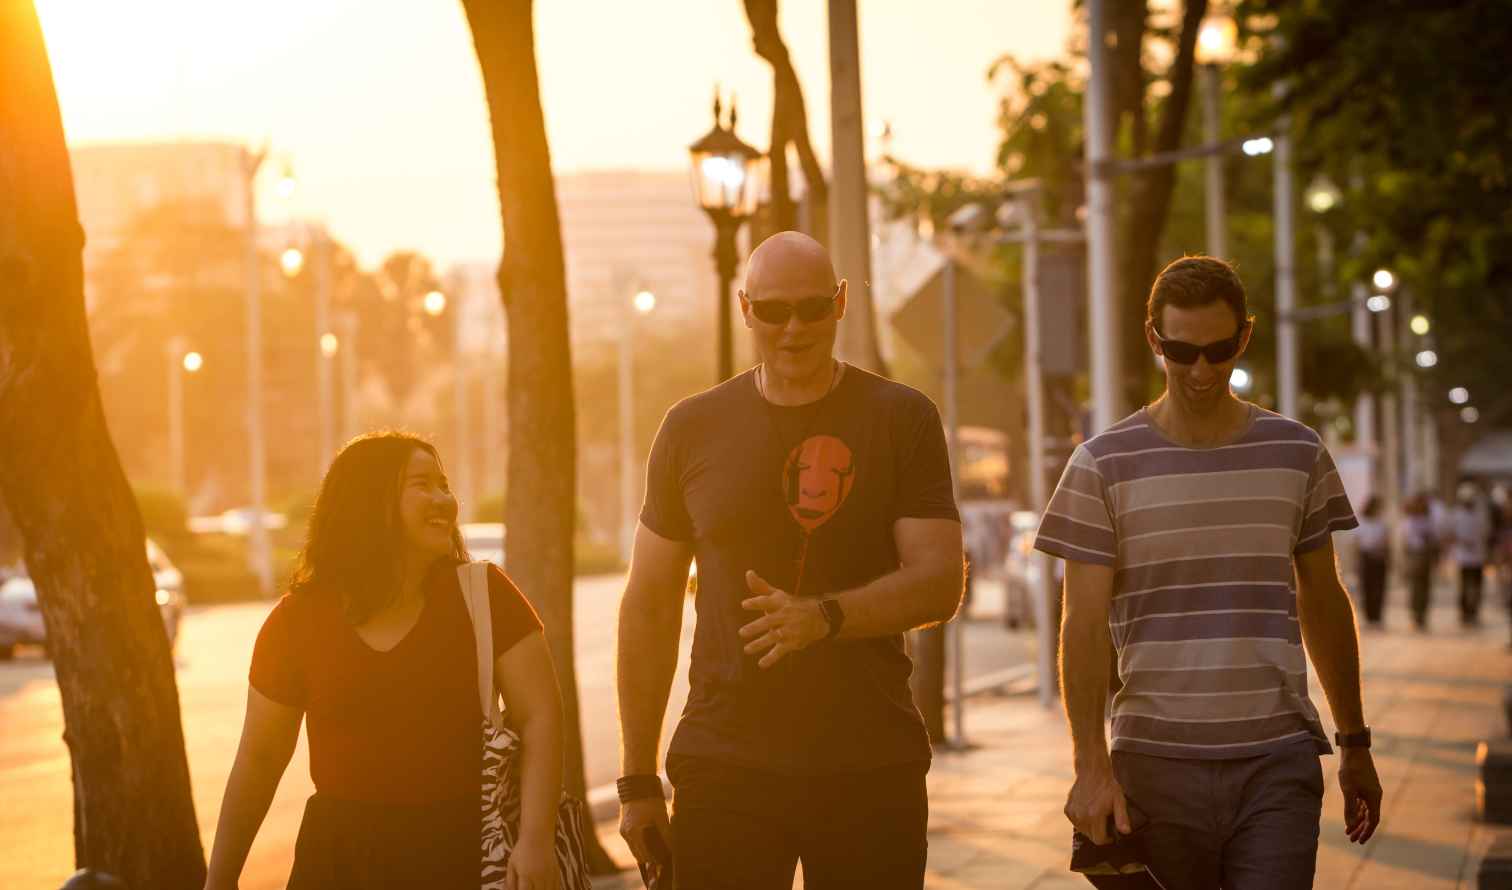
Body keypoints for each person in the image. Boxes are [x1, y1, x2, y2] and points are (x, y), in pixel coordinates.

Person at [615, 231, 965, 890]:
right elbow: (649, 603)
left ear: (840, 304)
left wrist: (825, 617)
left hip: (869, 765)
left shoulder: (902, 418)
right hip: (725, 765)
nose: (793, 327)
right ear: (746, 309)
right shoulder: (691, 428)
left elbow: (940, 581)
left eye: (810, 308)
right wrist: (637, 781)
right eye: (773, 311)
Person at [1035, 256, 1383, 890]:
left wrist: (1355, 741)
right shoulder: (1100, 465)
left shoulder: (1297, 453)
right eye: (1180, 351)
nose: (1199, 370)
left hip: (1277, 759)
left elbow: (1323, 600)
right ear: (1154, 339)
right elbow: (1081, 626)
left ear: (1244, 338)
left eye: (1219, 351)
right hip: (1153, 766)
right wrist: (1091, 766)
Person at [204, 432, 565, 890]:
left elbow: (541, 717)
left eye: (444, 484)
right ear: (369, 501)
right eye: (421, 485)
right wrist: (220, 879)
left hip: (459, 855)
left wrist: (534, 840)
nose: (444, 500)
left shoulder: (486, 594)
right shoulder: (296, 621)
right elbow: (258, 759)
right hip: (338, 862)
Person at [1449, 481, 1490, 625]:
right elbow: (1452, 534)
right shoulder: (1456, 515)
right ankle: (1465, 613)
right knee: (1464, 587)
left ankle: (1474, 612)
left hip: (1477, 557)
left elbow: (1485, 533)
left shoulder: (1480, 515)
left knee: (1476, 587)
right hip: (1463, 558)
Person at [1402, 493, 1439, 630]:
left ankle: (1423, 614)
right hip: (1415, 555)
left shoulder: (1428, 520)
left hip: (1426, 556)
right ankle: (1416, 614)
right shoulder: (1409, 521)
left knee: (1425, 586)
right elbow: (1407, 541)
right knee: (1415, 587)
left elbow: (1433, 538)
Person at [1355, 497, 1389, 626]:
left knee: (1379, 588)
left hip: (1379, 557)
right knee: (1367, 588)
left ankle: (1378, 616)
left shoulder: (1381, 523)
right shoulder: (1362, 523)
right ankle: (1369, 616)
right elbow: (1357, 543)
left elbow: (1386, 541)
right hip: (1366, 557)